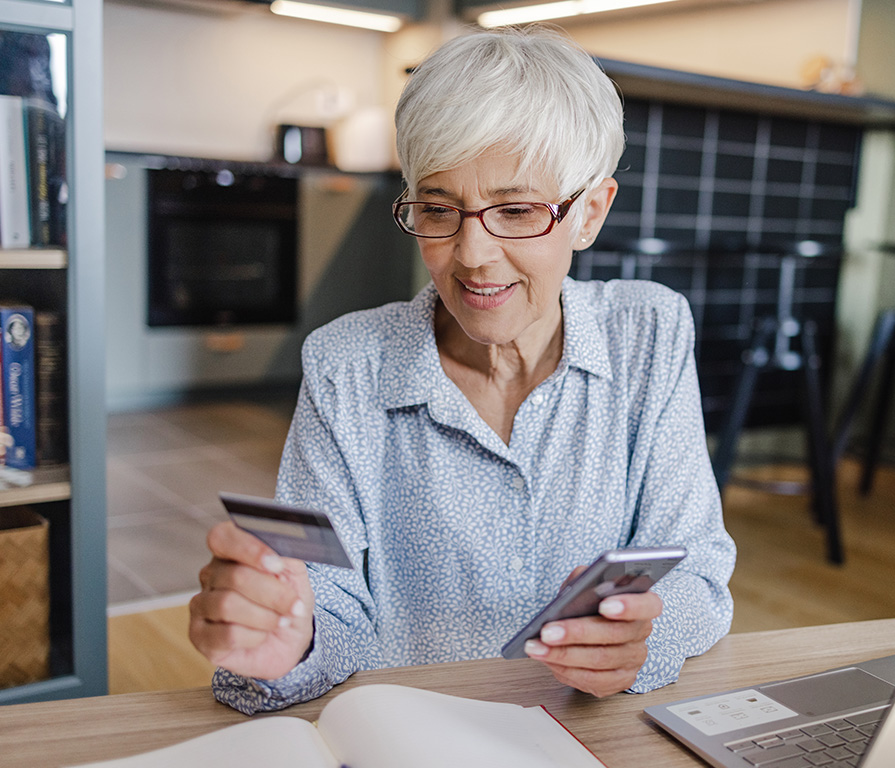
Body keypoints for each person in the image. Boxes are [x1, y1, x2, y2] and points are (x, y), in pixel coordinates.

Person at [188, 25, 736, 716]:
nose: (472, 253)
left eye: (515, 210)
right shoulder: (345, 367)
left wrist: (644, 640)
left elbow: (698, 569)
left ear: (590, 213)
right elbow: (325, 599)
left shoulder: (649, 335)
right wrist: (289, 641)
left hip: (588, 736)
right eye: (439, 209)